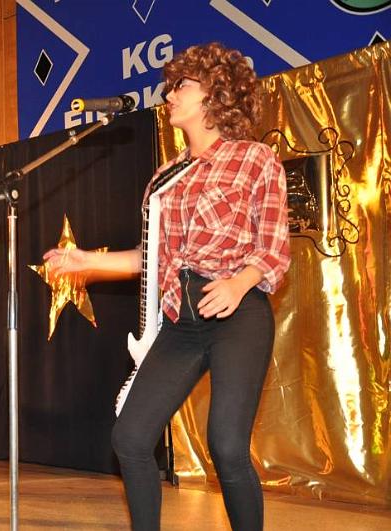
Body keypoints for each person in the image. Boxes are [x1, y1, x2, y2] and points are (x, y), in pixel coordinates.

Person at [44, 42, 290, 530]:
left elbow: (274, 248)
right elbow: (150, 257)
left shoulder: (255, 159)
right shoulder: (164, 178)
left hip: (238, 314)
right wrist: (85, 259)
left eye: (182, 85)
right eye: (170, 86)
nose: (170, 94)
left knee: (226, 445)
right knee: (131, 438)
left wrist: (239, 283)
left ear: (215, 93)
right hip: (182, 323)